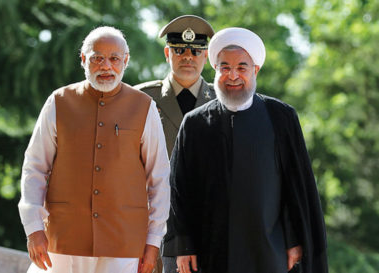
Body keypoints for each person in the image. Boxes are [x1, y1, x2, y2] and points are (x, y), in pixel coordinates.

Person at [163, 27, 329, 273]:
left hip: (268, 246)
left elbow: (296, 185)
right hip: (210, 247)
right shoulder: (195, 123)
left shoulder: (281, 117)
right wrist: (183, 245)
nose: (233, 76)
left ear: (255, 70)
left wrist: (295, 240)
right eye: (225, 68)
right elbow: (178, 189)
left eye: (242, 67)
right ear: (215, 70)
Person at [18, 26, 170, 273]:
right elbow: (34, 167)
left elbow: (159, 179)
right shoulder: (59, 101)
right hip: (63, 238)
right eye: (97, 58)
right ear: (83, 59)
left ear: (126, 61)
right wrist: (33, 228)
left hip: (123, 242)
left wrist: (153, 243)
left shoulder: (144, 107)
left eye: (114, 59)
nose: (106, 66)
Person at [135, 15, 216, 158]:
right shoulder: (142, 98)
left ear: (206, 56)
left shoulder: (221, 100)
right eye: (179, 50)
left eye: (195, 51)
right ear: (167, 53)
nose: (188, 57)